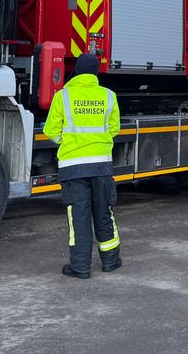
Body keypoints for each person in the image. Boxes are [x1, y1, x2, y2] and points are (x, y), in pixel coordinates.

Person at [43, 53, 122, 279]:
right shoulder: (108, 96)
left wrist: (69, 142)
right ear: (96, 72)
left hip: (73, 167)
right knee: (104, 212)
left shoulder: (63, 96)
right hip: (101, 166)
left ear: (76, 71)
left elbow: (50, 131)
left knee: (79, 216)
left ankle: (80, 267)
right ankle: (111, 262)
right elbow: (113, 128)